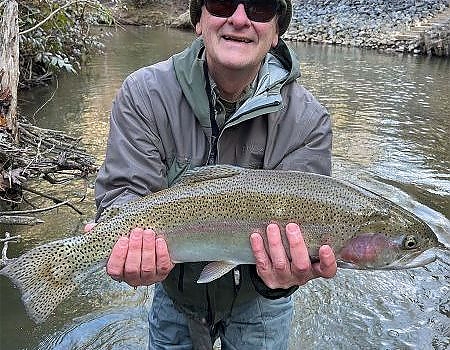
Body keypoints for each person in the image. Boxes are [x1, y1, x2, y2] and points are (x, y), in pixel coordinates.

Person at [93, 0, 337, 348]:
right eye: (222, 3)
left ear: (277, 32)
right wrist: (128, 249)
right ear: (199, 20)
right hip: (176, 295)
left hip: (261, 305)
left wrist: (281, 281)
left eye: (260, 8)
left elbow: (302, 244)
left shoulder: (309, 122)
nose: (238, 19)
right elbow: (124, 194)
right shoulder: (144, 94)